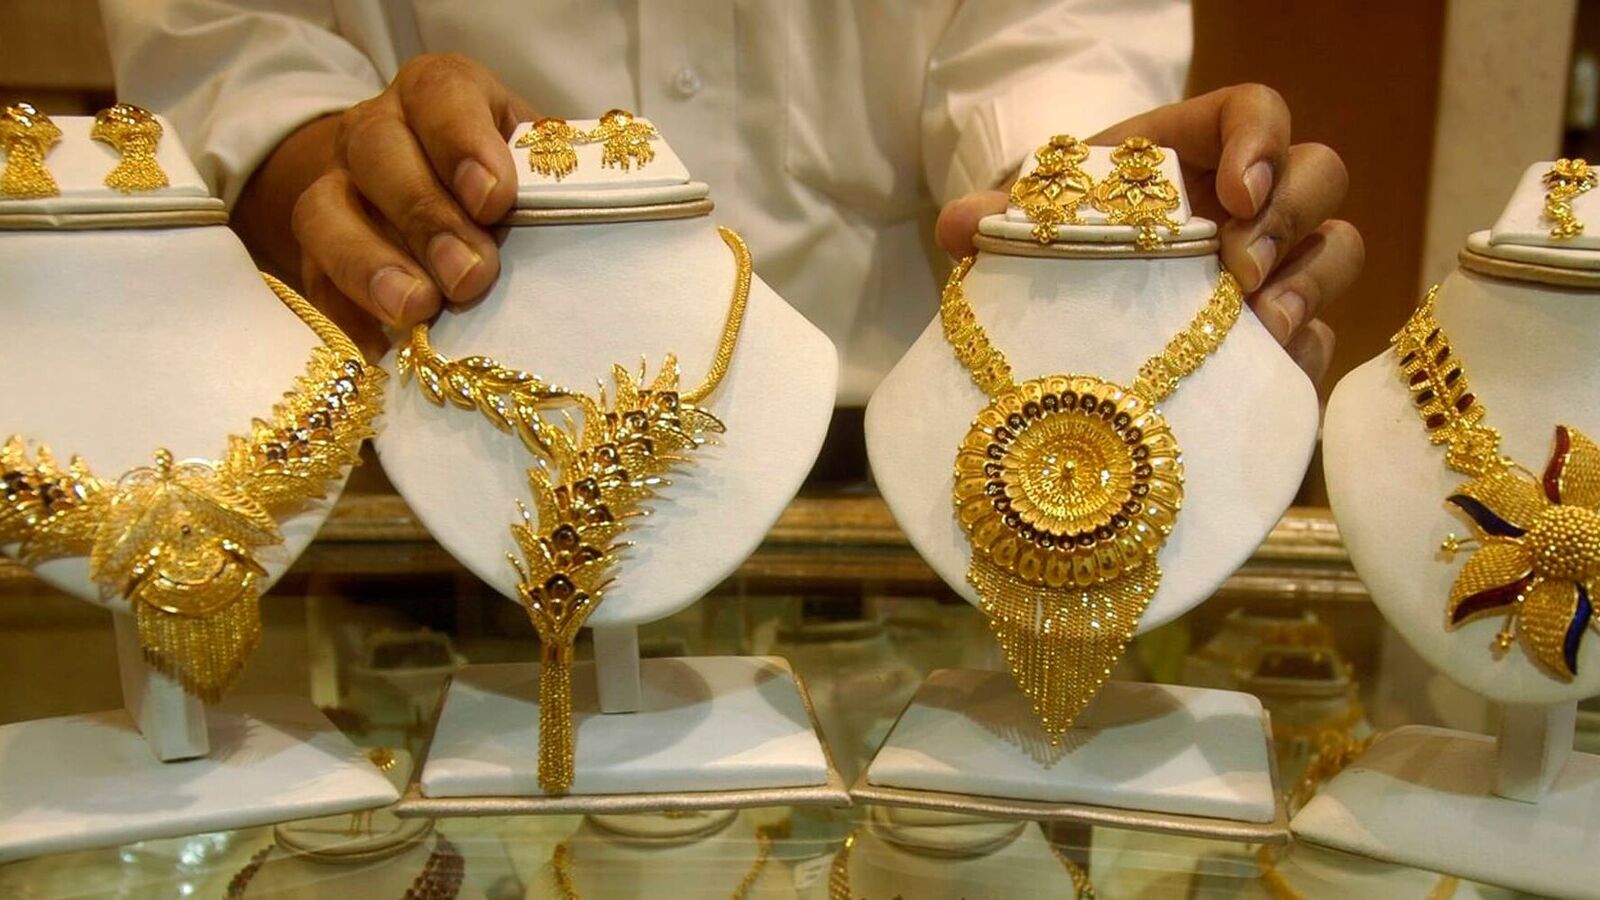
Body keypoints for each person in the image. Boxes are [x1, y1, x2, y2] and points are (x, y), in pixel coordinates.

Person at [99, 1, 1359, 398]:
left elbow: (1050, 46)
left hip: (914, 478)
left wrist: (1092, 207)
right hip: (442, 435)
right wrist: (340, 165)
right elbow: (231, 50)